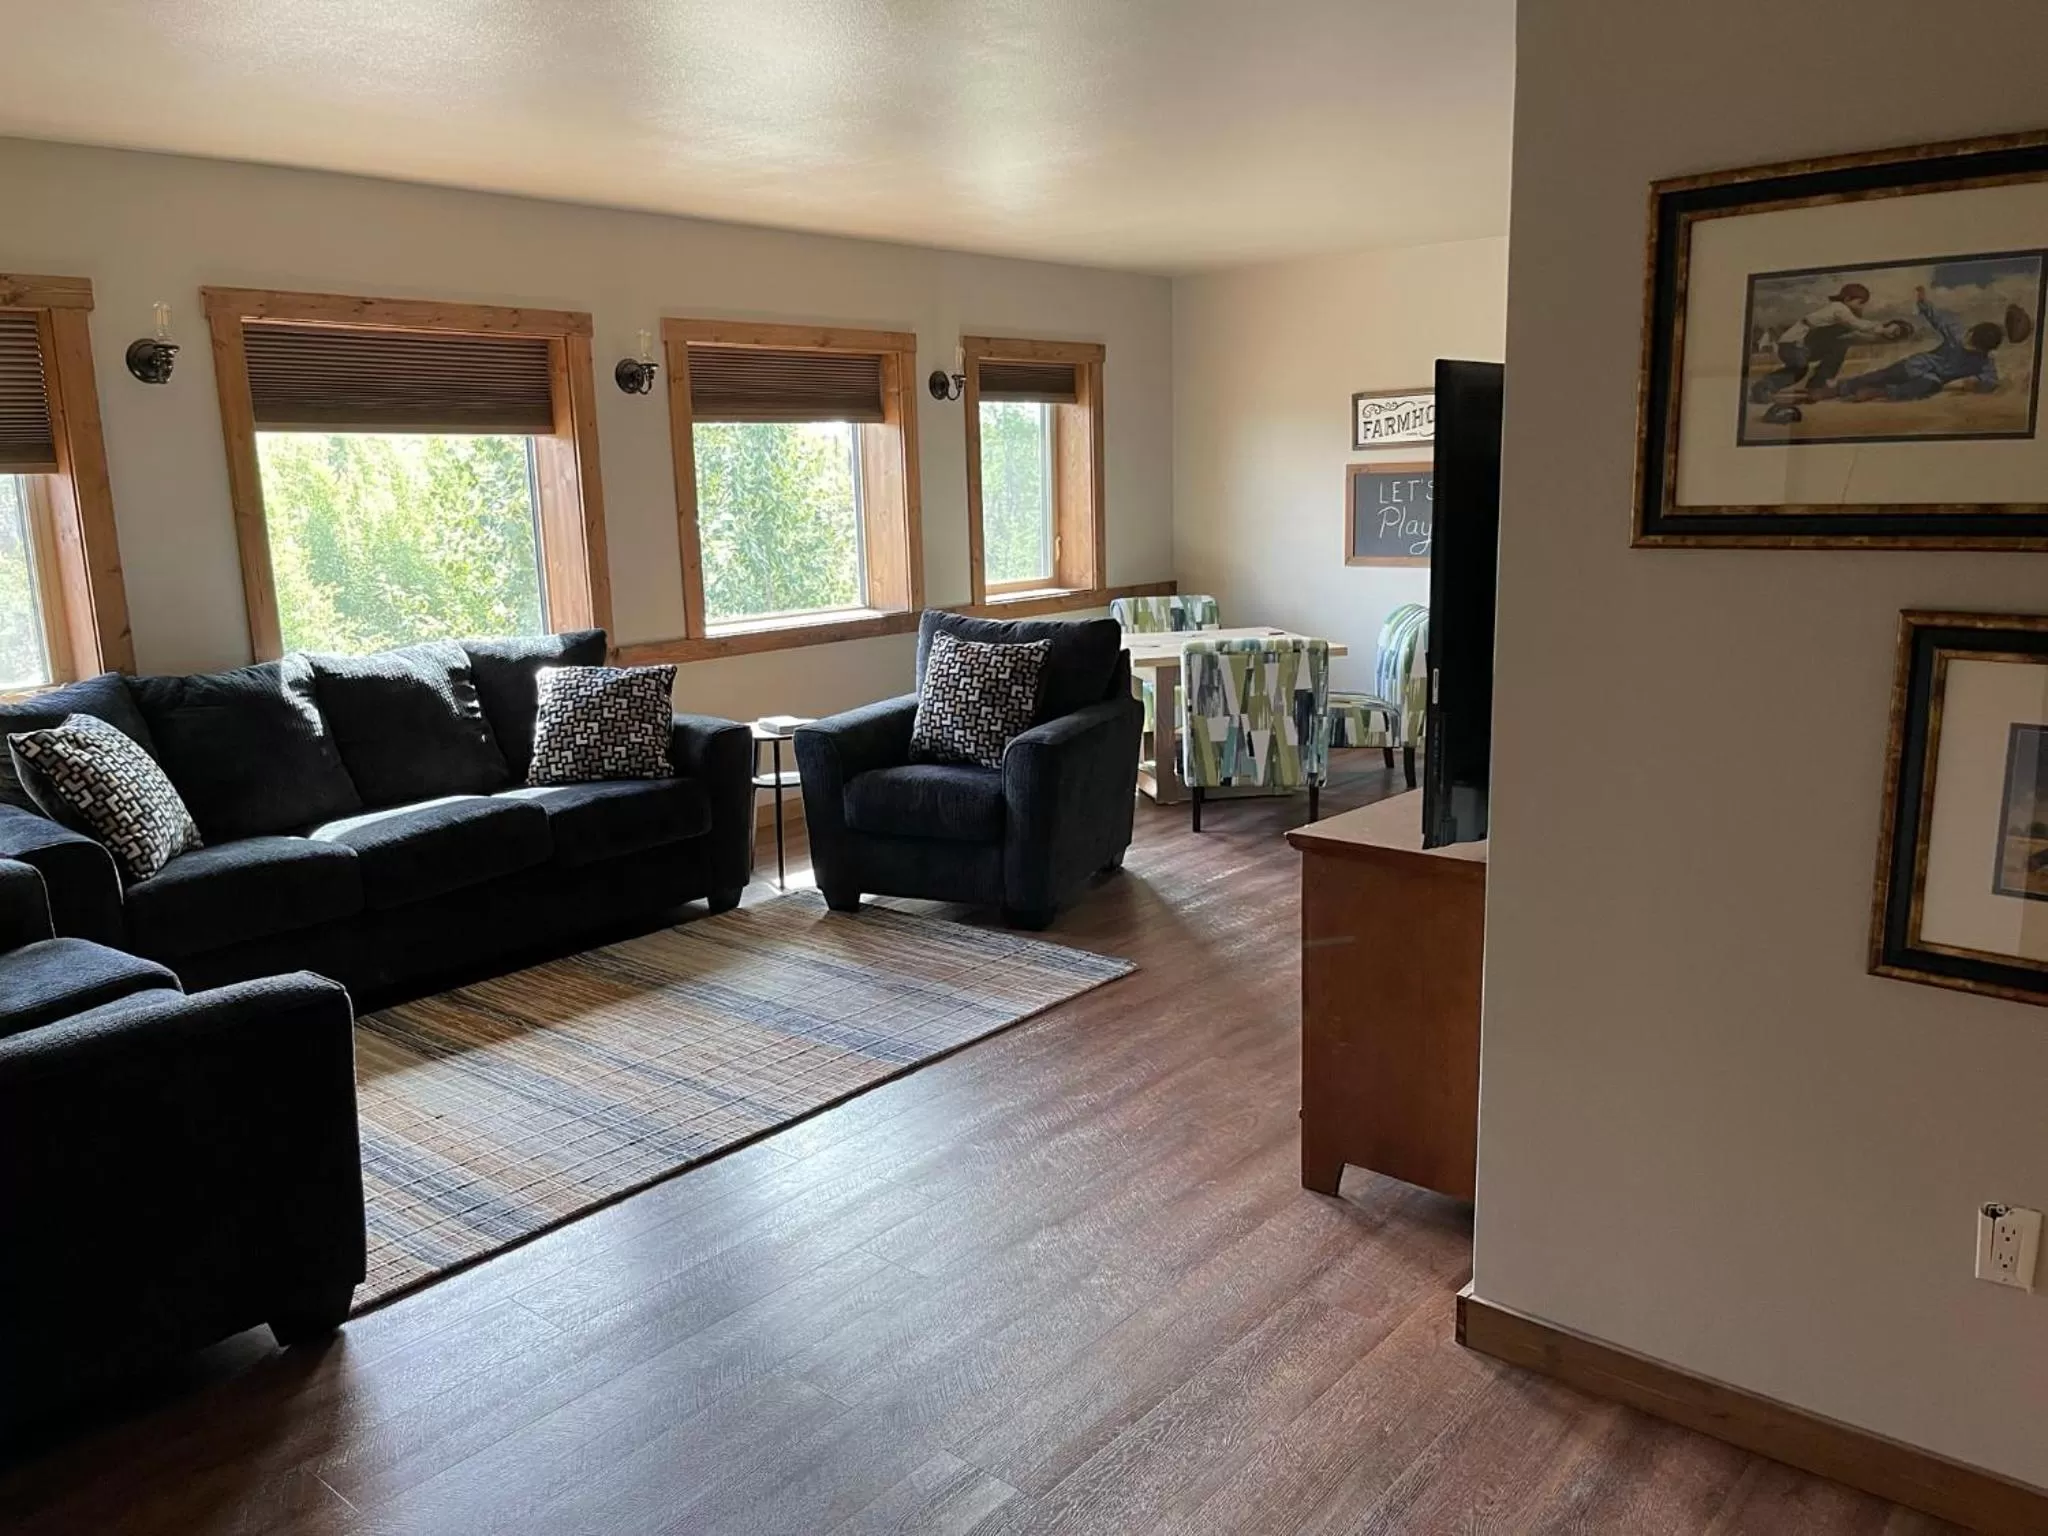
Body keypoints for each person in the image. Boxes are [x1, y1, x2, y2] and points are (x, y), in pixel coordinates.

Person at [1823, 286, 2004, 402]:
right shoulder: (1957, 335)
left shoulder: (1984, 362)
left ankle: (1880, 393)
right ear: (1970, 332)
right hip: (1916, 365)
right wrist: (1923, 302)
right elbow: (1938, 320)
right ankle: (1839, 389)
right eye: (1968, 338)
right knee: (1880, 375)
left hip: (1931, 379)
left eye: (1972, 346)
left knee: (1927, 385)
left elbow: (1991, 381)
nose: (1966, 343)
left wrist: (1974, 383)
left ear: (1984, 350)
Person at [1747, 282, 1899, 402]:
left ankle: (1816, 387)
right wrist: (1882, 329)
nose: (1862, 307)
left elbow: (1855, 333)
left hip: (1803, 345)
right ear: (1847, 299)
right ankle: (1763, 388)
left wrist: (1882, 334)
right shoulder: (1839, 308)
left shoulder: (1840, 314)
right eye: (1860, 303)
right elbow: (1856, 324)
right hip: (1793, 344)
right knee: (1799, 368)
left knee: (1836, 348)